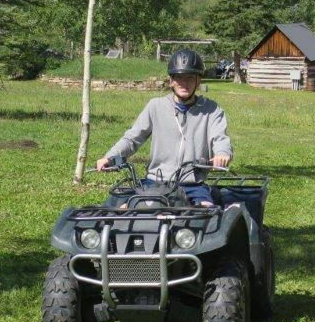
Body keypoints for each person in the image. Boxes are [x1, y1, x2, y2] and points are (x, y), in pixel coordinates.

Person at [95, 49, 232, 206]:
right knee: (128, 209)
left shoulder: (211, 110)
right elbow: (132, 138)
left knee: (206, 212)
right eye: (179, 77)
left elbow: (220, 138)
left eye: (190, 78)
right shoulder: (156, 106)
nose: (184, 83)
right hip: (156, 181)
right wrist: (110, 157)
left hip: (192, 184)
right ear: (171, 80)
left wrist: (222, 154)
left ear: (198, 81)